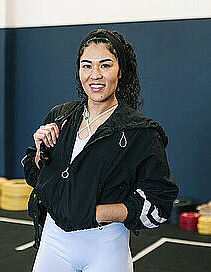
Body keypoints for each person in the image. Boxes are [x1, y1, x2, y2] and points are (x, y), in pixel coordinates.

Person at [22, 28, 178, 272]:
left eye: (105, 65)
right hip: (54, 240)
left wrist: (98, 213)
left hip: (105, 244)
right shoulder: (60, 116)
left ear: (120, 70)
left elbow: (160, 202)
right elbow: (36, 176)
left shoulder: (141, 132)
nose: (95, 75)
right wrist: (40, 152)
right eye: (87, 66)